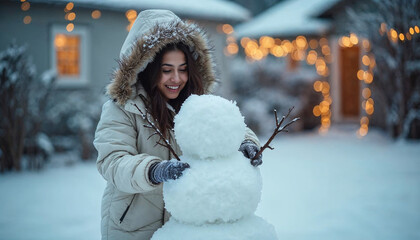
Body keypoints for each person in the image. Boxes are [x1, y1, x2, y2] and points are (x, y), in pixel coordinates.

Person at [93, 9, 263, 240]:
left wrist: (246, 142)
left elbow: (229, 127)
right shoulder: (122, 109)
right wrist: (154, 170)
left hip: (182, 226)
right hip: (134, 227)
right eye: (167, 70)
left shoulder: (194, 103)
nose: (176, 79)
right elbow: (112, 161)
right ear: (147, 68)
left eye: (183, 69)